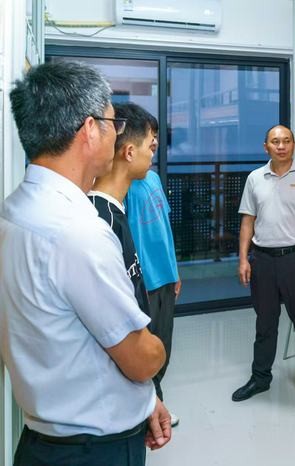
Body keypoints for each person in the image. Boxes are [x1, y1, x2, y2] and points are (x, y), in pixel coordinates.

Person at [0, 61, 171, 466]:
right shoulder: (79, 232)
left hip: (44, 438)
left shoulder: (14, 210)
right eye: (113, 122)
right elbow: (141, 358)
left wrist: (145, 401)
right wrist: (158, 349)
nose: (117, 132)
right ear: (90, 129)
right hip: (93, 450)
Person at [231, 124, 295, 414]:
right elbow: (247, 221)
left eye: (286, 141)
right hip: (263, 261)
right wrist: (243, 259)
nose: (281, 146)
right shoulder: (255, 178)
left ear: (293, 145)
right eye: (275, 141)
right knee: (265, 324)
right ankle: (260, 378)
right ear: (266, 147)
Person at [125, 113, 182, 426]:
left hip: (165, 278)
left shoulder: (154, 178)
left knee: (163, 346)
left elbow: (164, 229)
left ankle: (154, 403)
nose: (156, 142)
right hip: (144, 282)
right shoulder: (125, 188)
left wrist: (175, 271)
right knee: (145, 350)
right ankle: (150, 410)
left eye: (157, 135)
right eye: (151, 136)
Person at [88, 102, 156, 325]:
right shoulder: (100, 220)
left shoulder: (113, 208)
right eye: (150, 147)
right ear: (129, 152)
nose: (152, 156)